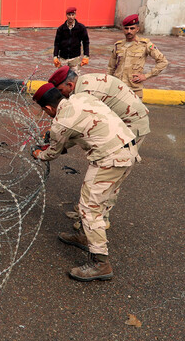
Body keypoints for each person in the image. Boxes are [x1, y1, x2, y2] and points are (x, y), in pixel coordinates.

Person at [30, 83, 136, 282]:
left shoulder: (60, 124)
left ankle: (100, 263)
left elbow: (51, 153)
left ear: (48, 109)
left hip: (109, 159)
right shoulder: (81, 98)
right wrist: (56, 141)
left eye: (45, 112)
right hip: (127, 149)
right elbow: (80, 131)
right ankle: (87, 238)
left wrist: (38, 153)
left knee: (89, 208)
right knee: (100, 201)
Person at [48, 65, 149, 227]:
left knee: (109, 173)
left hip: (131, 127)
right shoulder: (84, 83)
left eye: (60, 90)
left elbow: (83, 128)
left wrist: (58, 144)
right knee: (102, 173)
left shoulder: (84, 94)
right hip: (125, 122)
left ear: (70, 85)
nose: (60, 96)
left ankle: (98, 220)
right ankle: (89, 212)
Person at [107, 14, 168, 97]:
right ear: (123, 29)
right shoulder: (118, 45)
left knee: (135, 110)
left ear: (137, 29)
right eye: (126, 28)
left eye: (132, 28)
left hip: (134, 89)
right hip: (118, 88)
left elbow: (163, 62)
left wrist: (146, 76)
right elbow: (111, 67)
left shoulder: (145, 44)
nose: (129, 31)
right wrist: (108, 83)